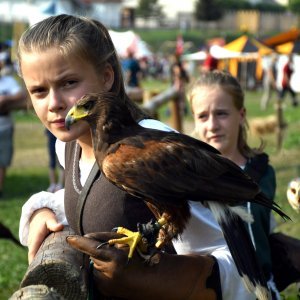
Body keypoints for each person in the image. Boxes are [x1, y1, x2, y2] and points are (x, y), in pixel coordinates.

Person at [17, 14, 258, 300]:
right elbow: (92, 199)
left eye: (69, 83)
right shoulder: (70, 145)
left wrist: (160, 276)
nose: (55, 104)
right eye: (39, 91)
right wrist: (41, 210)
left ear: (107, 77)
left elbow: (230, 259)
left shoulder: (147, 148)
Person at [187, 70, 280, 299]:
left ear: (241, 114)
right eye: (203, 116)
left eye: (221, 113)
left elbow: (265, 231)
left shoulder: (262, 173)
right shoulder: (185, 178)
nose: (213, 125)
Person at [0, 51, 27, 198]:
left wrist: (5, 99)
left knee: (2, 160)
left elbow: (22, 95)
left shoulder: (8, 81)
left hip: (4, 126)